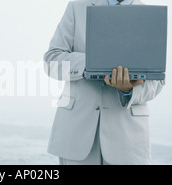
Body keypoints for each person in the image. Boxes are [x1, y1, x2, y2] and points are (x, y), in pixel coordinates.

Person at [44, 0, 165, 165]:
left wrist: (128, 89)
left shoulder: (149, 16)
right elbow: (52, 61)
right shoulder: (77, 6)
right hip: (76, 136)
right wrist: (93, 62)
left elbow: (156, 80)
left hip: (128, 142)